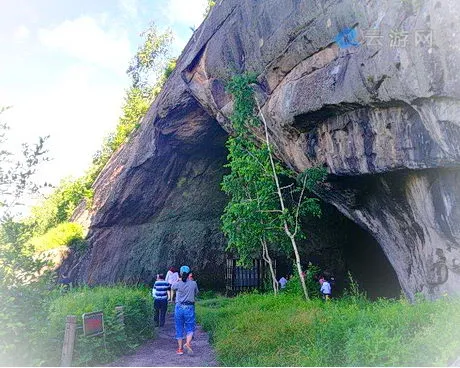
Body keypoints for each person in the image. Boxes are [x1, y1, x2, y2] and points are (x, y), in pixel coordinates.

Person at [171, 265, 198, 355]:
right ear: (189, 273)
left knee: (179, 327)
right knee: (190, 327)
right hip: (189, 307)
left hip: (179, 307)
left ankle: (180, 349)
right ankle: (187, 343)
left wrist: (178, 279)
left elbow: (172, 287)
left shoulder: (178, 283)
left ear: (180, 273)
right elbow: (196, 293)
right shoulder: (193, 283)